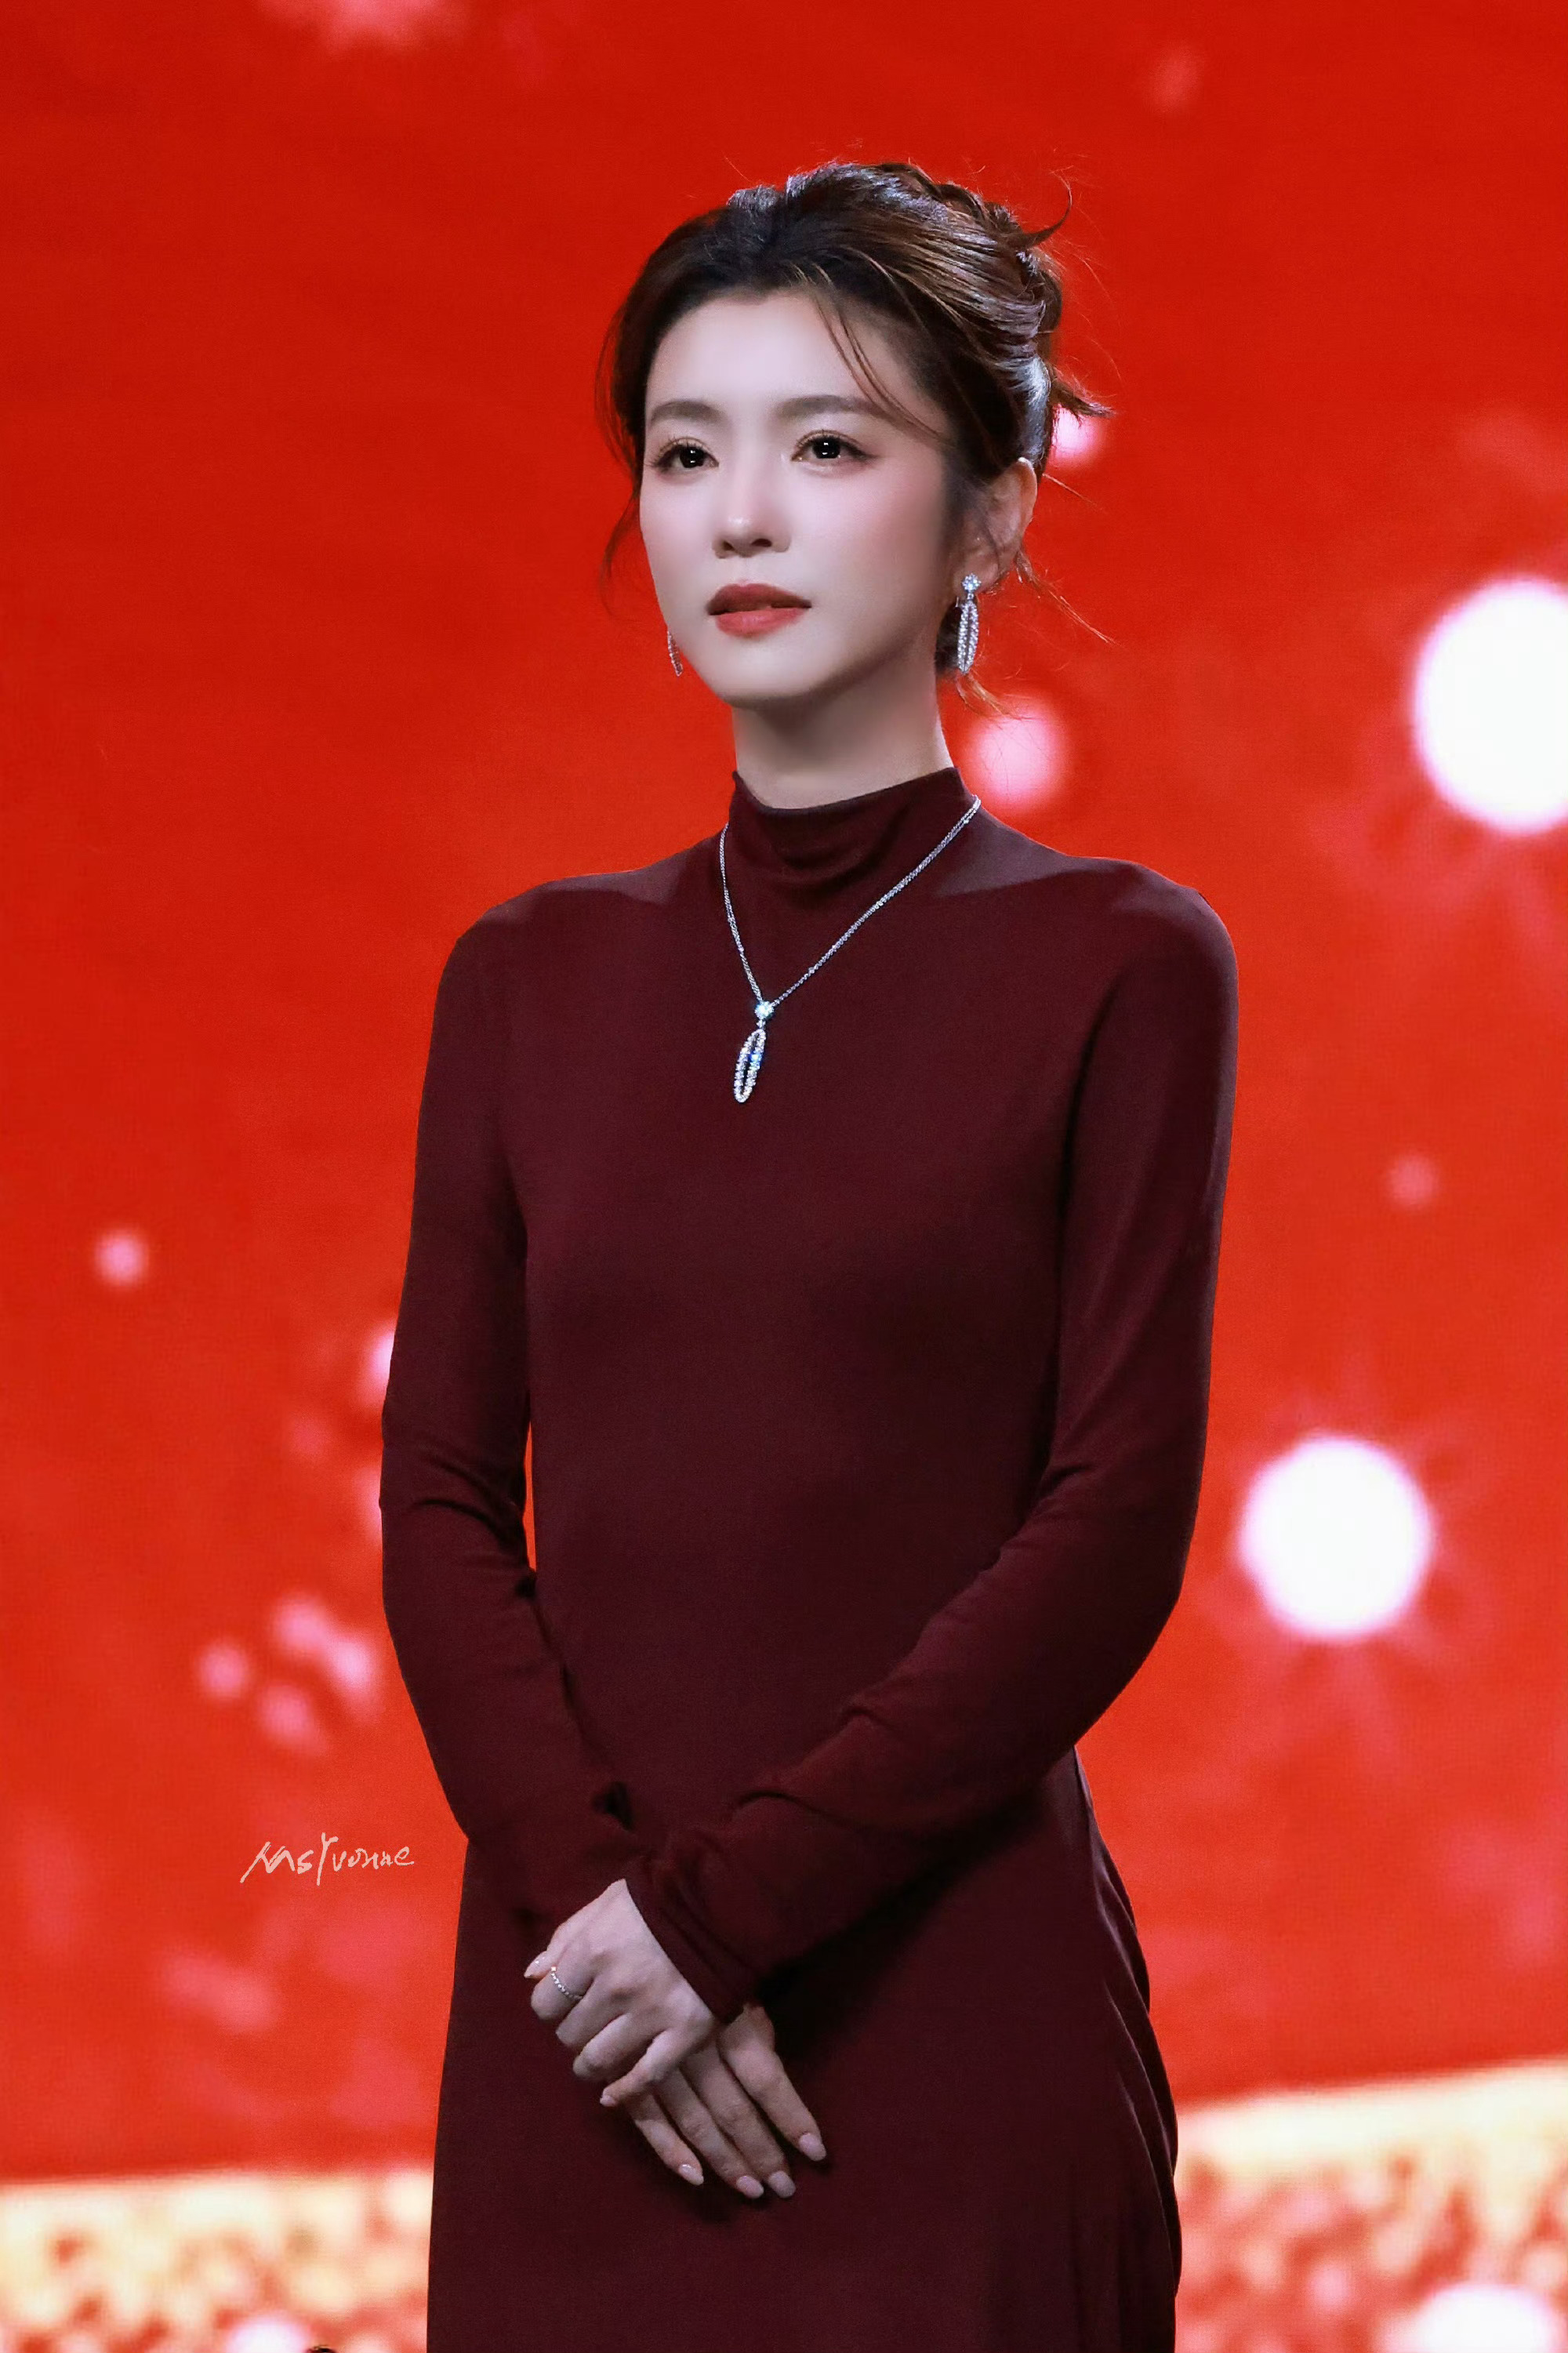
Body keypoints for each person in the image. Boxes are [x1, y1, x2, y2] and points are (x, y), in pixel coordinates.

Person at [379, 157, 1239, 2353]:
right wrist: (607, 1925)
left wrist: (714, 1924)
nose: (741, 516)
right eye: (687, 456)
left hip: (946, 2029)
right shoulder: (525, 980)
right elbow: (445, 1501)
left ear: (990, 516)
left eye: (828, 446)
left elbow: (1109, 1527)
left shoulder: (1123, 964)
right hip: (583, 2032)